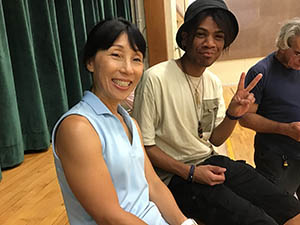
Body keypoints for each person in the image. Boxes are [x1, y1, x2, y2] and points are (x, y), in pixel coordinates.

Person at [132, 0, 300, 224]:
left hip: (211, 161)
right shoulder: (155, 78)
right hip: (174, 177)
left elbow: (215, 137)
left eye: (218, 37)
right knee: (260, 221)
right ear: (185, 37)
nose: (210, 43)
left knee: (289, 206)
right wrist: (191, 172)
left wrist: (233, 114)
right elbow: (144, 148)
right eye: (201, 34)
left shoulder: (211, 81)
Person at [52, 18, 199, 225]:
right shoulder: (78, 128)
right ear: (90, 62)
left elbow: (153, 185)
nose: (128, 69)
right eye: (116, 55)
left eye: (136, 59)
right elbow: (109, 215)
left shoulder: (131, 123)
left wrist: (185, 223)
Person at [239, 18, 300, 199]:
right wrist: (285, 129)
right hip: (277, 160)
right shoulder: (260, 72)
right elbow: (245, 118)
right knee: (278, 211)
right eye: (298, 53)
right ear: (282, 45)